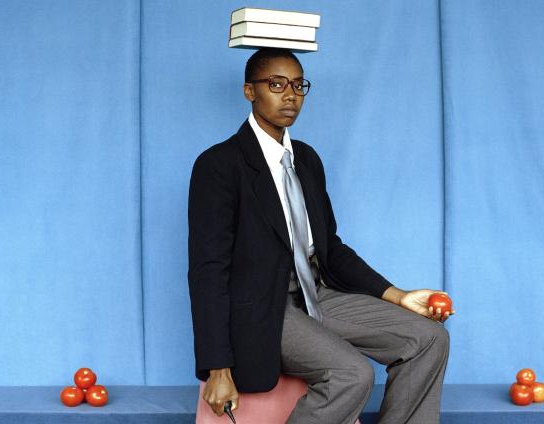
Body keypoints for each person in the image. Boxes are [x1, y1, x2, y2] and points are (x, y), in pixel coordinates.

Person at [188, 48, 454, 424]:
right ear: (250, 91)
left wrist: (400, 296)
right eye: (276, 84)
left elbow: (332, 249)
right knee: (351, 374)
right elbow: (208, 271)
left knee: (429, 339)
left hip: (317, 292)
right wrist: (217, 368)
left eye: (298, 85)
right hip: (264, 308)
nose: (290, 95)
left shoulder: (307, 159)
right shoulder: (218, 165)